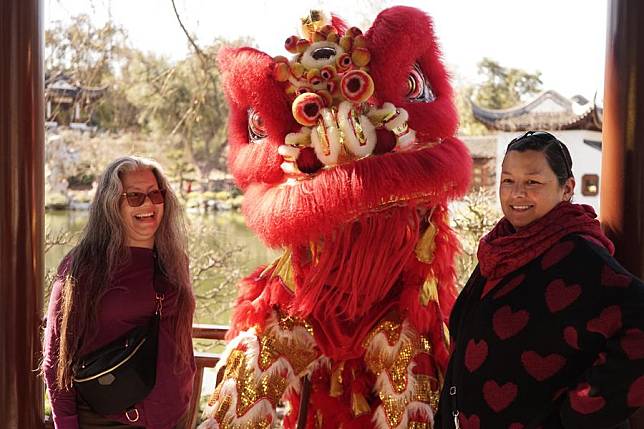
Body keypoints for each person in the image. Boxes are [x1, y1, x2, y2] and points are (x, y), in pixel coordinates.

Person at [435, 131, 644, 428]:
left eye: (532, 182)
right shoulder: (501, 248)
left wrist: (576, 415)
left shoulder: (579, 256)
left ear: (567, 188)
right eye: (508, 180)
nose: (517, 193)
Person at [43, 156, 196, 429]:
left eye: (155, 194)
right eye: (135, 196)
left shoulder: (175, 260)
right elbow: (56, 356)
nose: (148, 204)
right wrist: (65, 423)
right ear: (112, 204)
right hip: (105, 420)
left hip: (173, 418)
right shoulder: (84, 265)